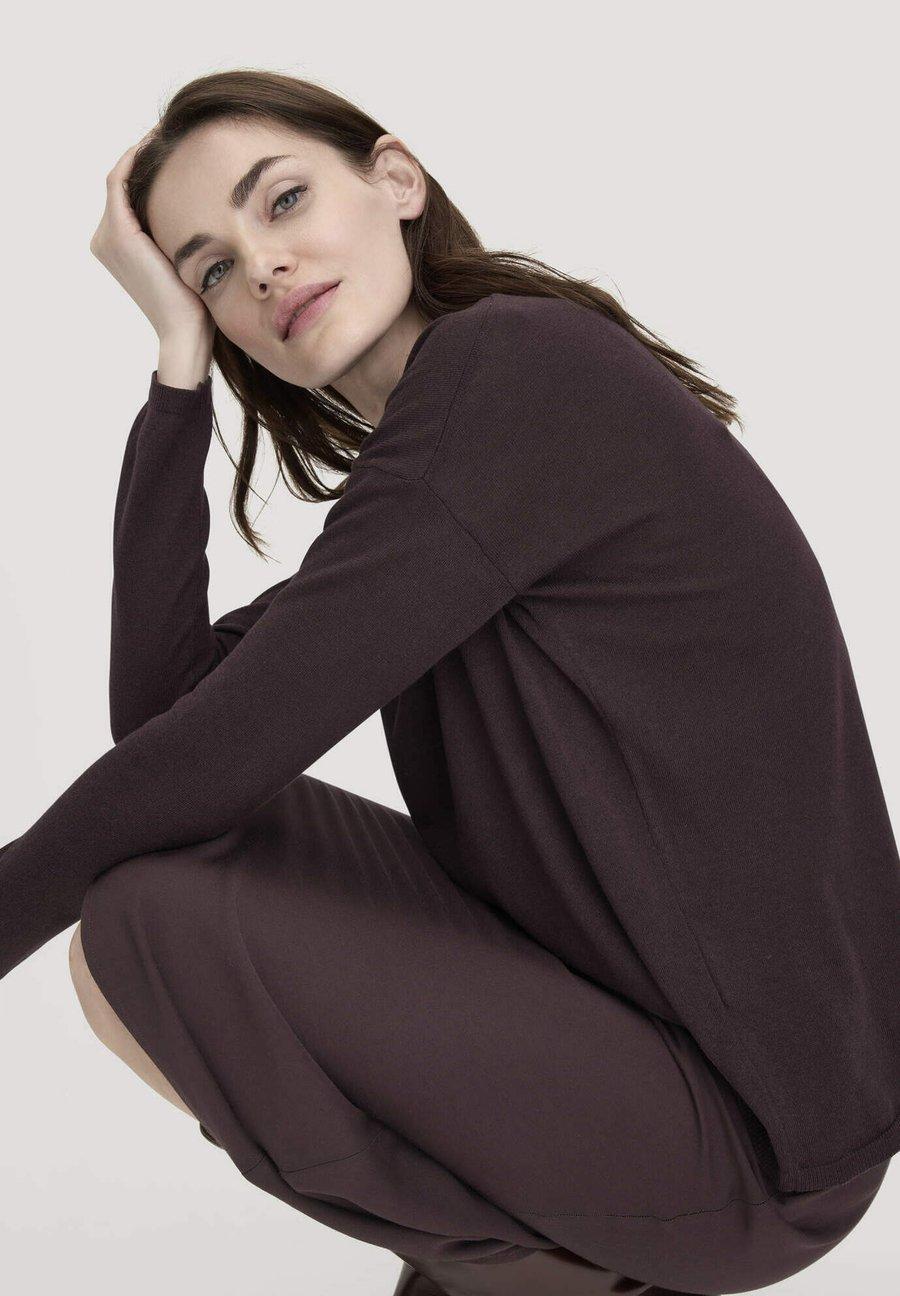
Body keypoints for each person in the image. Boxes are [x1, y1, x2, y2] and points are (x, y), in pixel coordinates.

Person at [3, 70, 897, 1296]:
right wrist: (175, 365)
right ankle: (531, 1267)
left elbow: (188, 758)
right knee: (173, 862)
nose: (261, 267)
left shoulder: (518, 374)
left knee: (148, 920)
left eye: (282, 200)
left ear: (397, 181)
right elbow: (170, 726)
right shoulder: (442, 462)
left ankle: (551, 1275)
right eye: (210, 270)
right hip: (625, 1044)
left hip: (755, 1136)